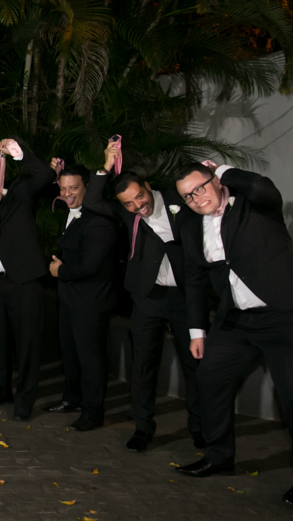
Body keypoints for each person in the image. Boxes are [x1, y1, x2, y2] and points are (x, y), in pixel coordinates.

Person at [173, 162, 293, 511]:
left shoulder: (254, 204)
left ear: (216, 182)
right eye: (187, 196)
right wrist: (197, 331)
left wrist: (223, 169)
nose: (196, 199)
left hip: (288, 316)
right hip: (237, 320)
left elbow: (260, 185)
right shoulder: (189, 224)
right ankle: (218, 456)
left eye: (200, 188)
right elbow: (194, 279)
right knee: (209, 377)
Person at [83, 141, 203, 452]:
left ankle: (200, 426)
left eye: (140, 197)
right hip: (148, 297)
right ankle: (143, 426)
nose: (138, 206)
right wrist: (105, 167)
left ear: (148, 187)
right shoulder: (128, 214)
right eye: (129, 204)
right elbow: (92, 200)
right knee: (143, 364)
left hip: (186, 296)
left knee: (194, 364)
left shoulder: (179, 200)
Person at [0, 139, 54, 421]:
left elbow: (45, 175)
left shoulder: (19, 193)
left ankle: (25, 398)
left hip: (24, 282)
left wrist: (18, 153)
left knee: (26, 343)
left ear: (1, 178)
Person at [46, 163, 117, 431]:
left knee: (91, 359)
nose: (67, 194)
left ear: (88, 187)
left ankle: (93, 412)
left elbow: (91, 265)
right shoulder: (71, 213)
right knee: (70, 354)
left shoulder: (99, 220)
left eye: (73, 188)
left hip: (91, 301)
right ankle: (72, 398)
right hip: (70, 298)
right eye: (63, 188)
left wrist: (60, 271)